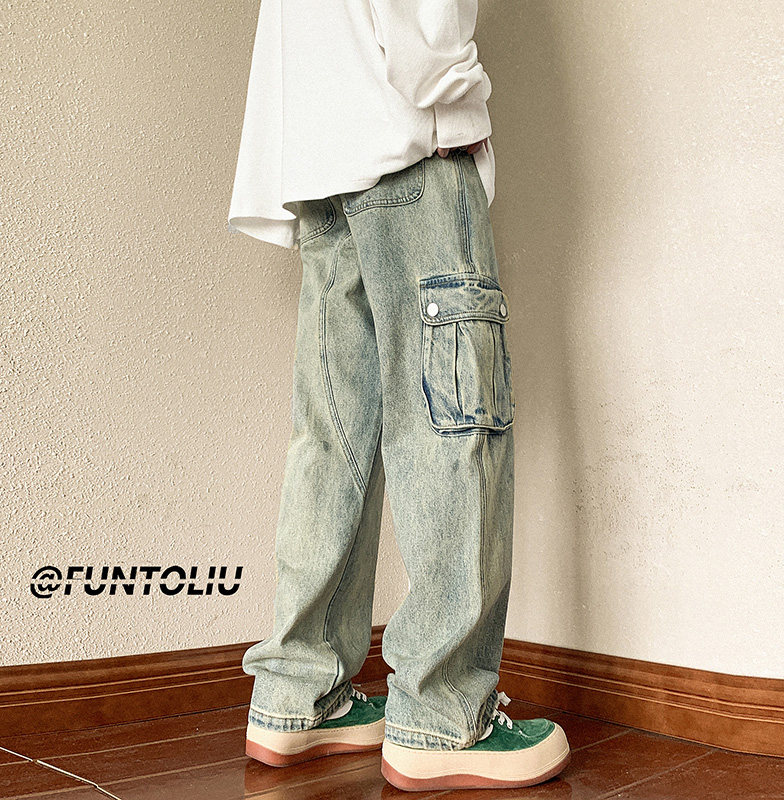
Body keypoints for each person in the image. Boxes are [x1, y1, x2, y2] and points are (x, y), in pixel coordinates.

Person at [226, 0, 571, 791]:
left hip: (317, 148)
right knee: (452, 422)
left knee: (333, 435)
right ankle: (443, 716)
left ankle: (297, 694)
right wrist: (452, 93)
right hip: (404, 135)